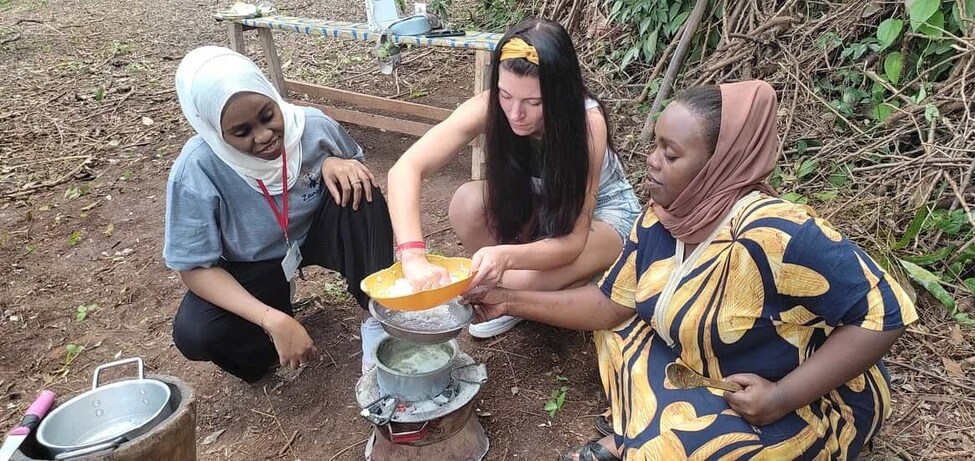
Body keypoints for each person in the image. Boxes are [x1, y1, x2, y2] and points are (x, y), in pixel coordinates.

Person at [465, 80, 918, 460]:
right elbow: (609, 306)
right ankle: (640, 434)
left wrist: (782, 397)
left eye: (671, 153)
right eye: (655, 146)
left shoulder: (778, 231)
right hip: (708, 366)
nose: (652, 160)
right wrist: (507, 300)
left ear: (719, 165)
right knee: (616, 334)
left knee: (679, 452)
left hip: (800, 396)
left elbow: (885, 313)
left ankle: (640, 439)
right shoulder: (662, 217)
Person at [386, 18, 641, 338]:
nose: (515, 113)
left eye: (533, 102)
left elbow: (573, 242)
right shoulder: (490, 105)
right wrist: (412, 255)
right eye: (506, 95)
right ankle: (536, 284)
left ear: (560, 94)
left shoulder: (588, 124)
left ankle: (527, 293)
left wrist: (505, 256)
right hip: (542, 205)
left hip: (601, 217)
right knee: (466, 203)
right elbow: (406, 168)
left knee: (520, 279)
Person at [165, 46, 393, 383]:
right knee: (197, 332)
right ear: (213, 129)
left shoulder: (312, 126)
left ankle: (375, 316)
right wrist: (271, 320)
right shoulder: (196, 169)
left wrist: (333, 162)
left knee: (361, 188)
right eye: (241, 132)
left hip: (316, 232)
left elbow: (355, 167)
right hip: (252, 263)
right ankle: (268, 342)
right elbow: (195, 268)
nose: (264, 136)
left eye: (268, 115)